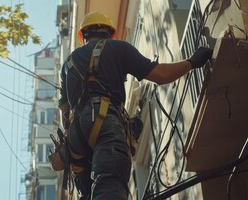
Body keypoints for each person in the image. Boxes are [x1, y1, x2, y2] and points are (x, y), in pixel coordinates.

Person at [58, 11, 213, 200]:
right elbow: (161, 75)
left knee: (89, 192)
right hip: (105, 120)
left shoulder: (68, 63)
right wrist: (192, 61)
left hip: (77, 136)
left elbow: (65, 113)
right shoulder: (117, 48)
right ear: (108, 33)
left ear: (84, 36)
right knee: (111, 182)